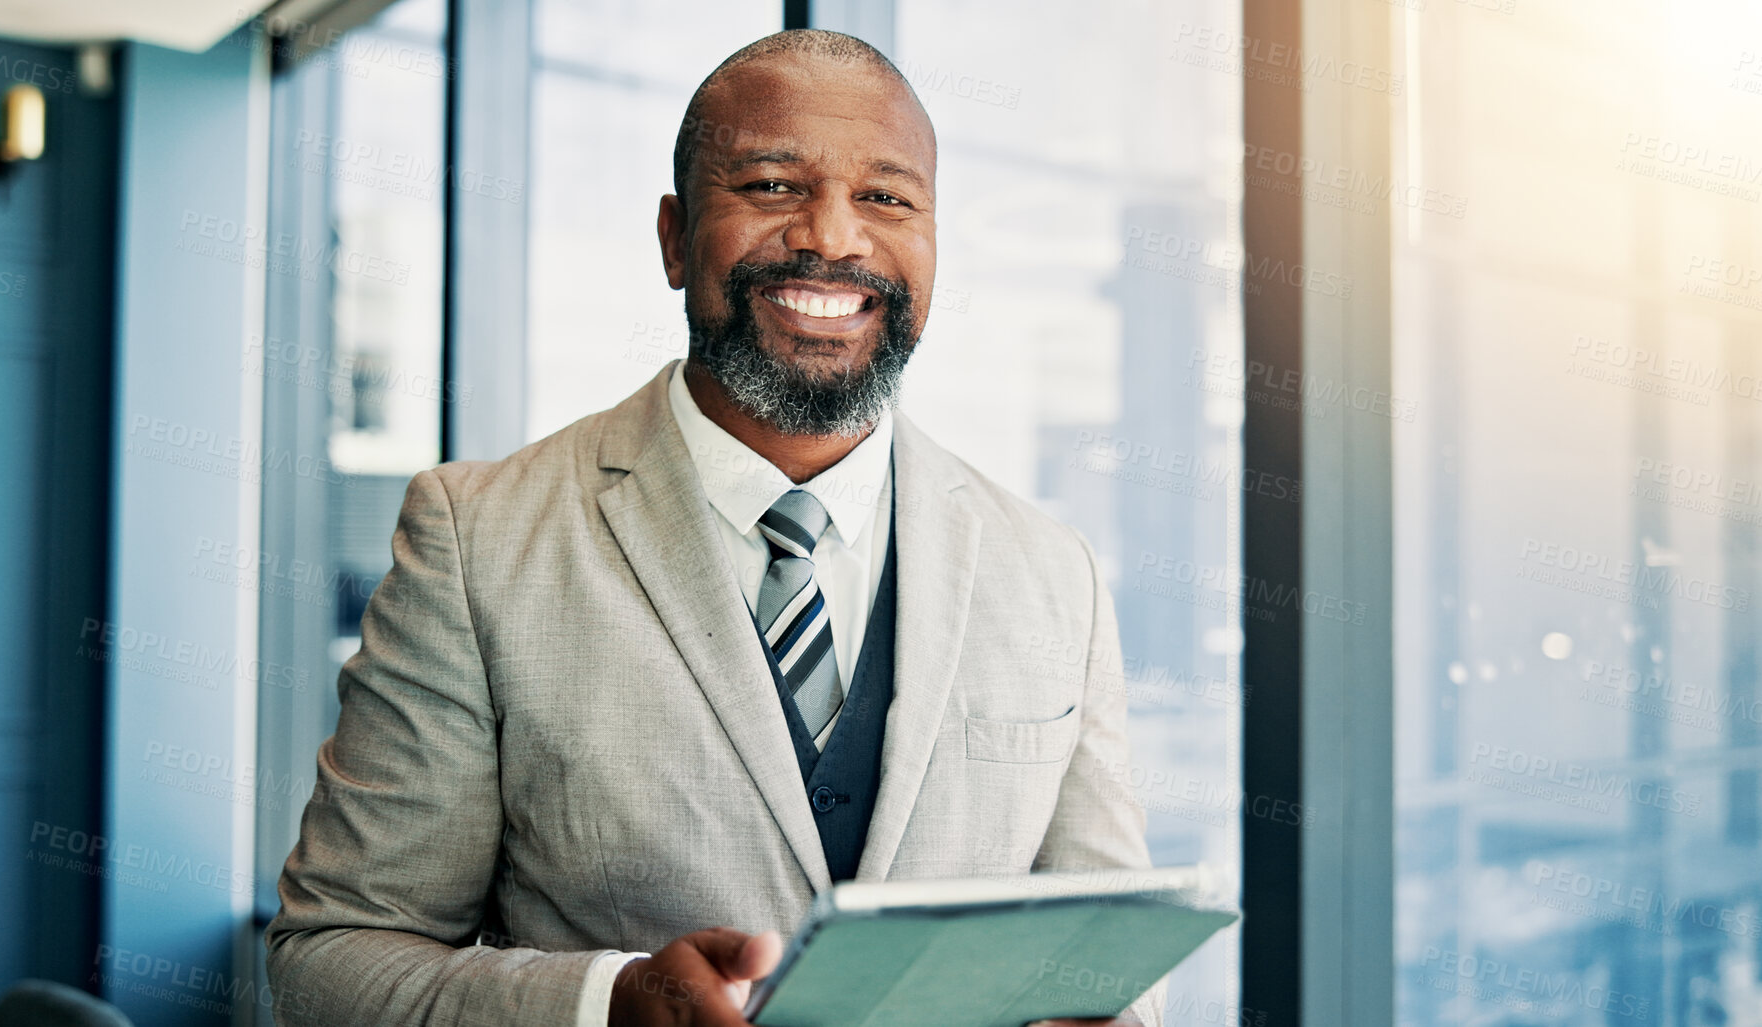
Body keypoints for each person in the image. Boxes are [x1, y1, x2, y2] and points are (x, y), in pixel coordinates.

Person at [266, 28, 1160, 1027]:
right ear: (675, 237)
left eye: (887, 197)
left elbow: (1111, 953)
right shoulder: (479, 540)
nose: (832, 236)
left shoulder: (1055, 576)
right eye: (774, 185)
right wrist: (606, 1004)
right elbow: (329, 959)